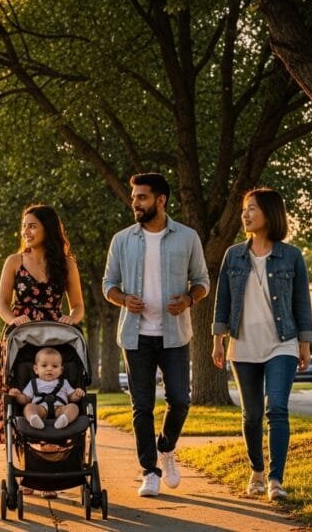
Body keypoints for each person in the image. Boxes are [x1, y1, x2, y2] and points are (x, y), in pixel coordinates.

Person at [103, 173, 210, 497]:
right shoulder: (122, 240)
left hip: (174, 334)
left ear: (160, 200)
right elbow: (109, 285)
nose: (135, 203)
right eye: (135, 197)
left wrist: (190, 299)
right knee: (142, 405)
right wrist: (123, 300)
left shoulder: (187, 237)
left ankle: (166, 447)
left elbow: (202, 280)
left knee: (180, 399)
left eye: (142, 197)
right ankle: (149, 470)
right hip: (136, 337)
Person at [211, 188, 312, 502]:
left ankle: (276, 480)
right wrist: (218, 340)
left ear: (270, 213)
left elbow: (301, 302)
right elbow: (223, 300)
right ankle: (256, 471)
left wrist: (304, 344)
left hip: (281, 343)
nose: (245, 214)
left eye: (252, 208)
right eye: (244, 208)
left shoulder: (291, 255)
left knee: (277, 409)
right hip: (242, 344)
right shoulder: (233, 255)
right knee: (252, 414)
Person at [0, 204, 84, 499]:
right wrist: (11, 320)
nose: (25, 231)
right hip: (22, 334)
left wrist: (71, 319)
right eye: (23, 226)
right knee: (23, 399)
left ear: (47, 229)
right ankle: (27, 470)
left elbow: (77, 305)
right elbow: (1, 303)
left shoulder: (66, 264)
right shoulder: (14, 261)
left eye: (32, 226)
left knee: (56, 397)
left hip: (55, 335)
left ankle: (52, 470)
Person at [7, 347, 86, 430]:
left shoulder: (64, 382)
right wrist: (18, 395)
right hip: (40, 409)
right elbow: (26, 399)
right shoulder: (33, 383)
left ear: (61, 370)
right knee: (28, 407)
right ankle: (34, 419)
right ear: (36, 369)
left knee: (73, 407)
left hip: (60, 409)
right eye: (44, 366)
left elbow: (71, 397)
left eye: (55, 366)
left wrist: (77, 394)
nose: (49, 369)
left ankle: (64, 419)